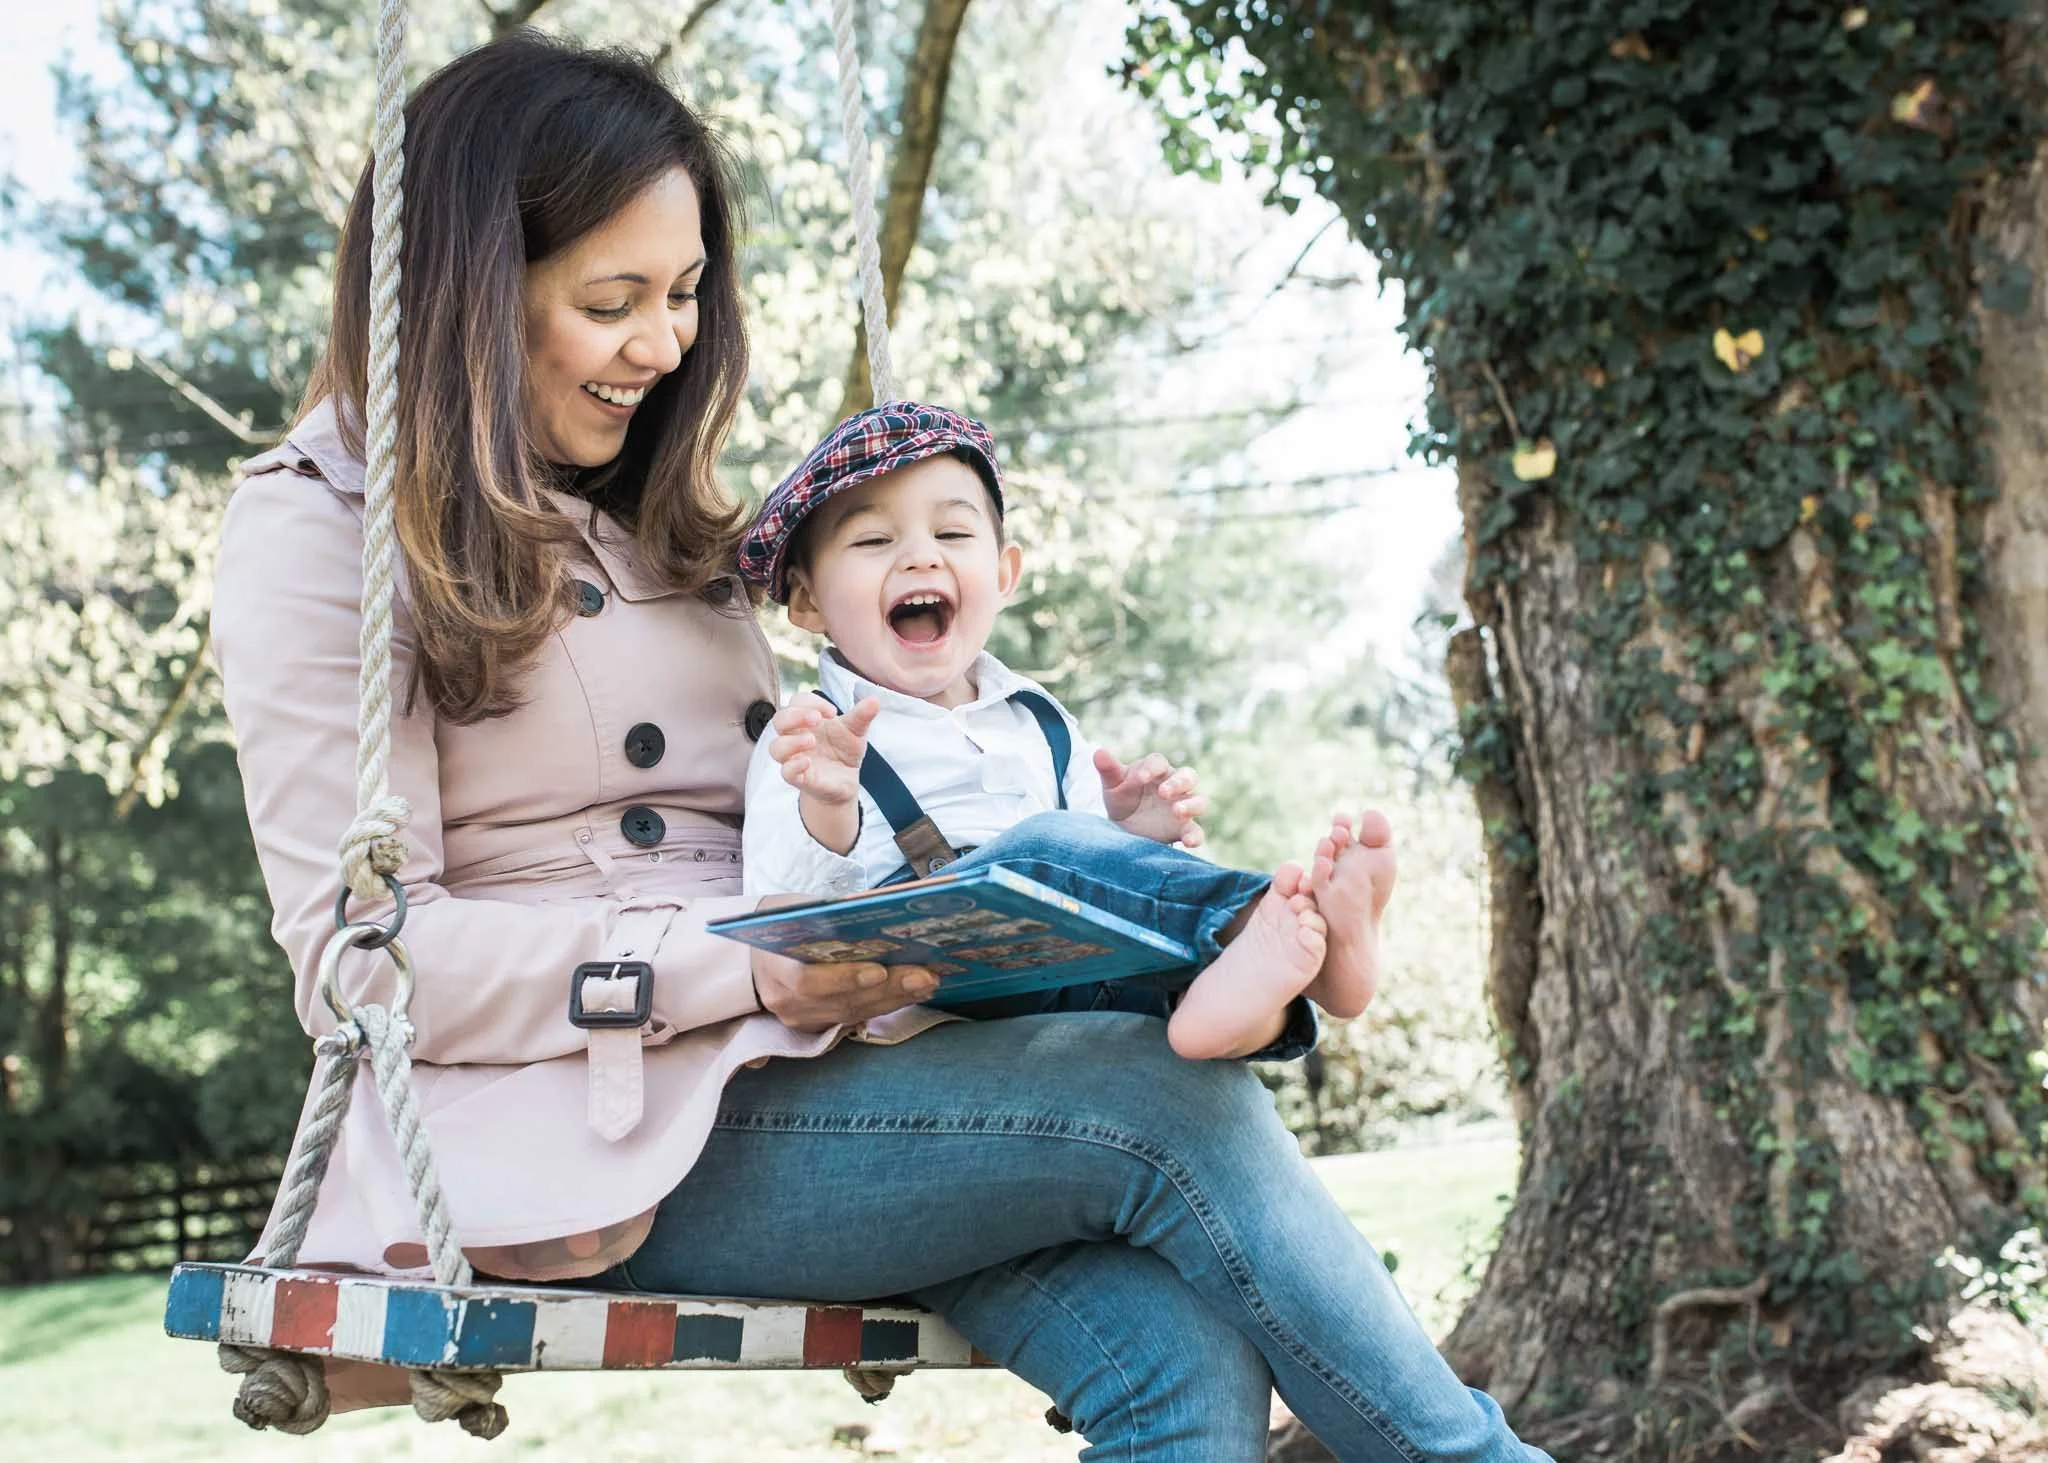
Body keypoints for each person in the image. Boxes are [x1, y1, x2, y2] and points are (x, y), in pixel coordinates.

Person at [213, 30, 1551, 1461]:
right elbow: (363, 957)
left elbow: (797, 809)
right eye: (612, 302)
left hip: (827, 1057)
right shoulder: (323, 525)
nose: (663, 346)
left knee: (1177, 1360)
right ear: (474, 288)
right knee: (1160, 1094)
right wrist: (740, 965)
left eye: (682, 294)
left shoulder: (647, 514)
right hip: (587, 1124)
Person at [736, 401, 1387, 1062]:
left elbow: (1094, 874)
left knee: (1105, 900)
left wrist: (1128, 835)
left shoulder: (1038, 719)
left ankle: (1241, 1009)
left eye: (953, 533)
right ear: (808, 601)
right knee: (1039, 852)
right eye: (874, 541)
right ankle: (1259, 921)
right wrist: (827, 805)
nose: (920, 557)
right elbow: (779, 924)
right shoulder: (809, 736)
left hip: (1064, 967)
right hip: (928, 974)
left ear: (1003, 575)